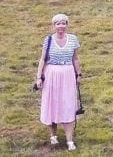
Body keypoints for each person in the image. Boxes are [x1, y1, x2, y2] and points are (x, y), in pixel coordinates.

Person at [34, 13, 82, 151]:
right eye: (58, 23)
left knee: (68, 104)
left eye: (63, 23)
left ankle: (69, 140)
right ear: (54, 25)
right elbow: (43, 59)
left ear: (67, 25)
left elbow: (75, 58)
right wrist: (39, 77)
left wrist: (79, 74)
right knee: (52, 103)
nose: (61, 26)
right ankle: (53, 135)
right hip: (51, 74)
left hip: (67, 74)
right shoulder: (48, 40)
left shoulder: (73, 39)